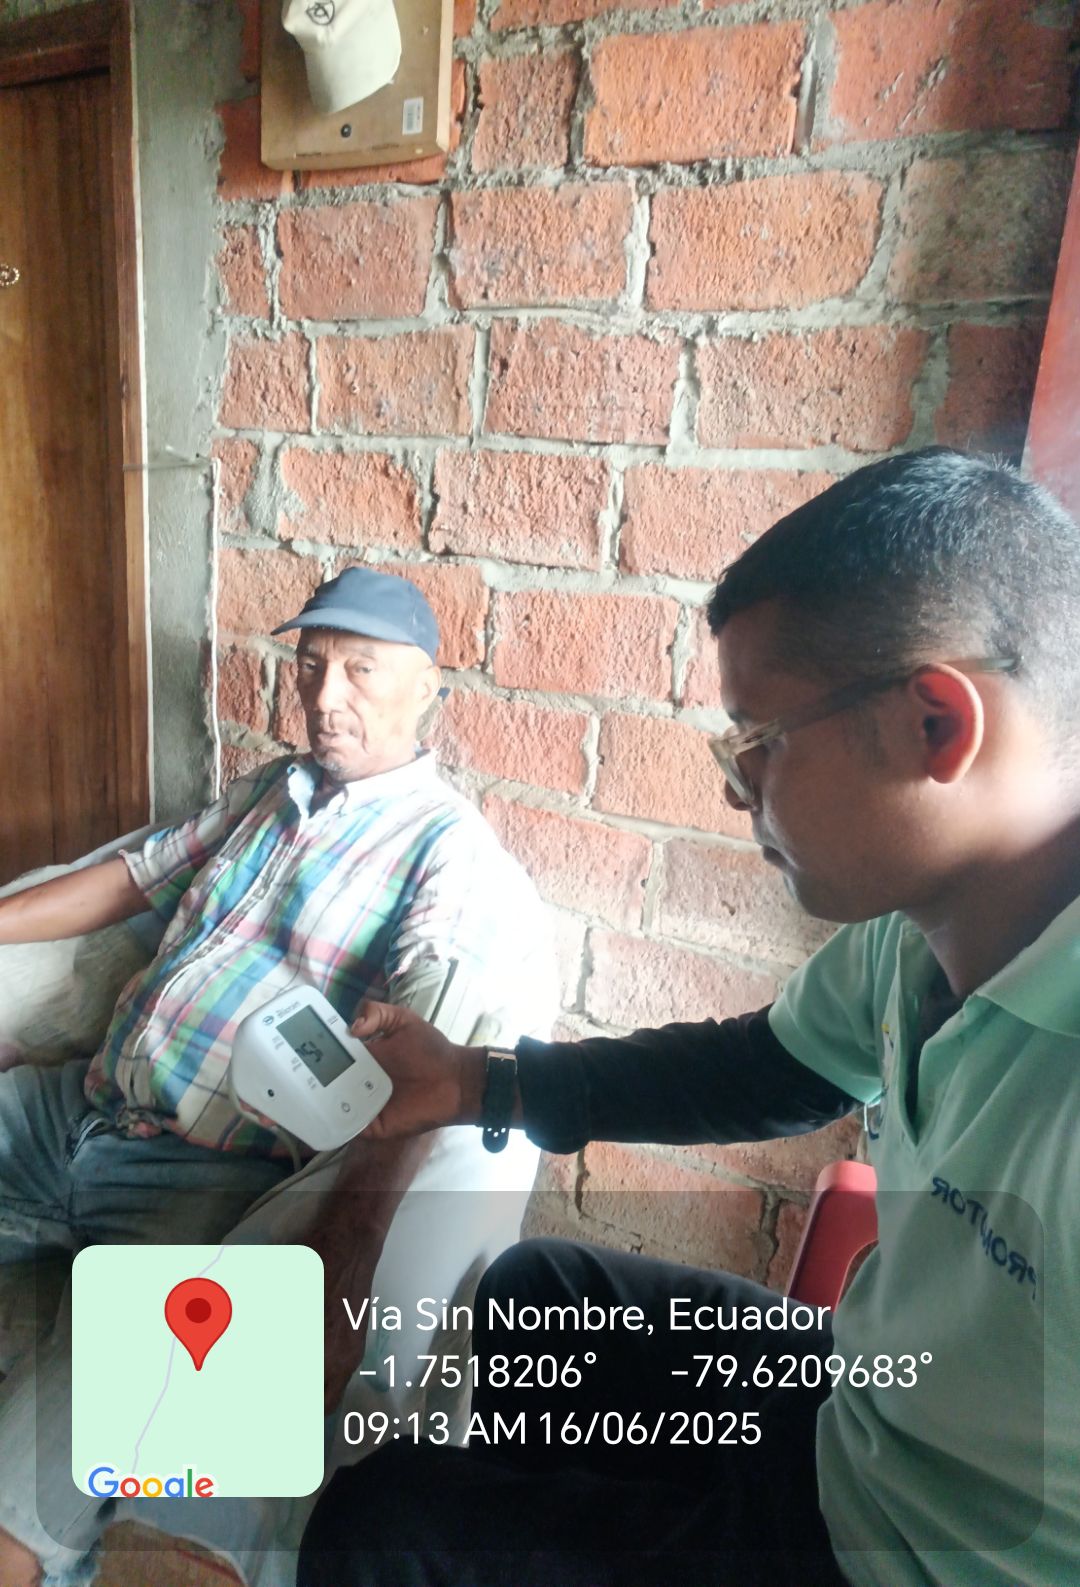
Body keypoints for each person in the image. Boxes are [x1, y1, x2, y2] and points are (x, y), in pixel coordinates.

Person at [298, 450, 1080, 1587]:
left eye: (759, 739)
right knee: (533, 1300)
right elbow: (759, 1072)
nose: (734, 785)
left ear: (936, 727)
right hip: (861, 1403)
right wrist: (479, 1082)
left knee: (381, 1530)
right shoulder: (920, 929)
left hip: (907, 1554)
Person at [0, 567, 555, 1587]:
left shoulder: (447, 853)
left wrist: (345, 1261)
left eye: (360, 670)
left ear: (427, 689)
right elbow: (136, 874)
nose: (324, 696)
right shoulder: (270, 789)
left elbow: (421, 1065)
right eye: (310, 667)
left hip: (201, 1178)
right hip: (71, 1112)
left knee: (52, 1471)